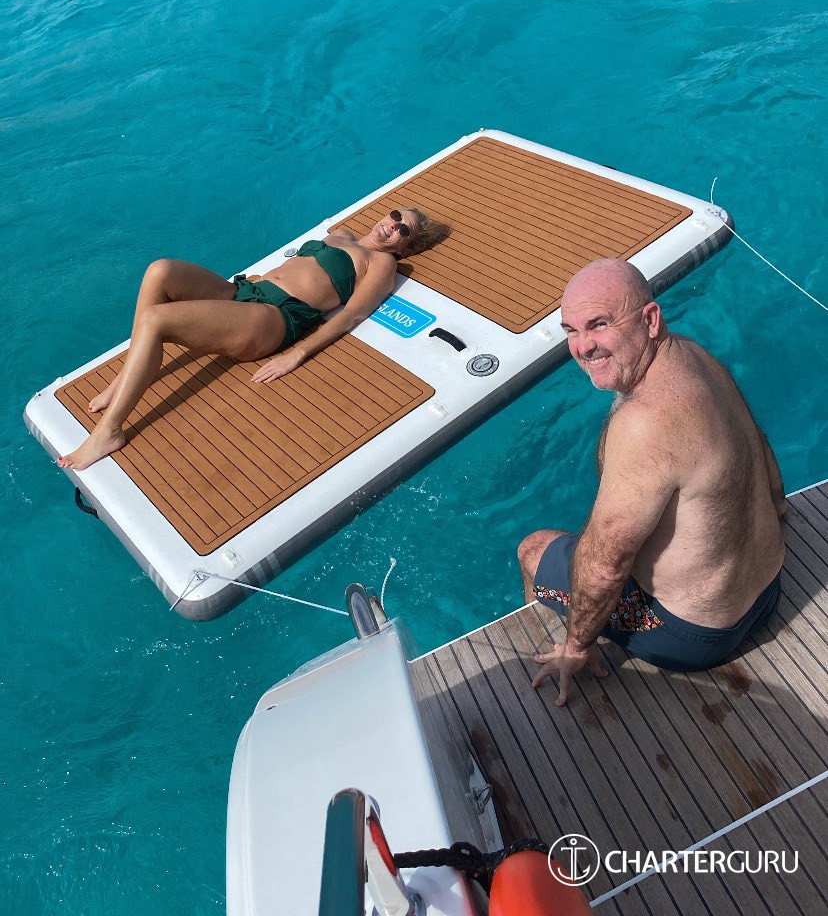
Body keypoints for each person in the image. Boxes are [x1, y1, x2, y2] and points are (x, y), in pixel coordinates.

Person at [517, 258, 786, 706]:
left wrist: (578, 646)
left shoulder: (644, 422)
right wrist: (777, 515)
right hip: (768, 592)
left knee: (534, 549)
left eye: (599, 324)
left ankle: (549, 646)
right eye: (571, 331)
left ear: (651, 319)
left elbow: (606, 565)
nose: (583, 347)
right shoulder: (697, 358)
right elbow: (760, 448)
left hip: (692, 635)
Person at [59, 207, 448, 473]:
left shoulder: (382, 263)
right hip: (246, 293)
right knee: (160, 270)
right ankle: (129, 372)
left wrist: (298, 353)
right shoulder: (341, 234)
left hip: (274, 318)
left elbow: (351, 315)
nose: (393, 226)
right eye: (395, 216)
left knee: (156, 319)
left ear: (405, 247)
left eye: (403, 231)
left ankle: (109, 431)